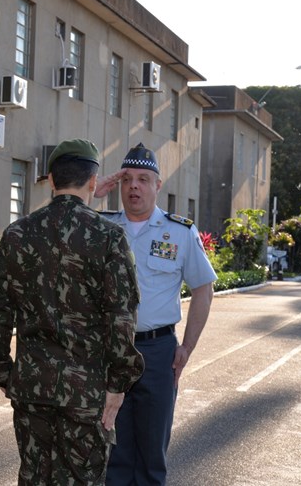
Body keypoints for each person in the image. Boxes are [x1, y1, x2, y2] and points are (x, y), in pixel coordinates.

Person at [0, 138, 145, 485]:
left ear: (50, 180)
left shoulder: (17, 234)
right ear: (93, 182)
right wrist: (118, 384)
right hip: (87, 394)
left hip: (32, 391)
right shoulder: (109, 237)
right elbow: (122, 318)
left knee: (35, 478)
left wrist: (10, 375)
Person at [100, 143, 217, 486]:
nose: (133, 186)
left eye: (143, 179)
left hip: (158, 351)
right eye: (127, 180)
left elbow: (203, 290)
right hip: (110, 352)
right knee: (113, 454)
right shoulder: (101, 229)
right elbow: (58, 226)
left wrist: (187, 349)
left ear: (157, 186)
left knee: (152, 456)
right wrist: (93, 193)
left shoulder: (179, 232)